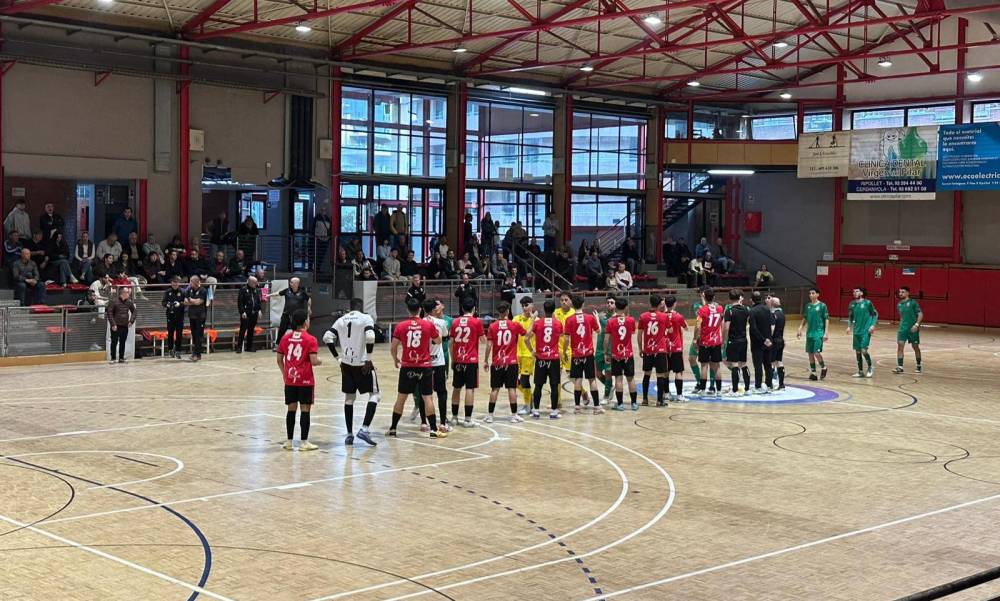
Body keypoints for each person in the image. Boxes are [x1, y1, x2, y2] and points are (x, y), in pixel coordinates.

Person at [324, 298, 379, 446]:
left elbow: (327, 337)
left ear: (350, 308)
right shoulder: (365, 318)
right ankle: (364, 428)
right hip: (362, 363)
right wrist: (369, 359)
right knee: (375, 394)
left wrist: (338, 358)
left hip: (346, 364)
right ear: (361, 307)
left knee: (349, 398)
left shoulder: (341, 320)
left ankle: (349, 434)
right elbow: (370, 336)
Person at [388, 298, 446, 438]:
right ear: (419, 309)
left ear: (408, 310)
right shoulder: (427, 325)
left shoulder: (401, 326)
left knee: (401, 398)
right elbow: (438, 341)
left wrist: (395, 359)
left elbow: (393, 346)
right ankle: (433, 430)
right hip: (424, 366)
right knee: (428, 398)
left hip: (407, 366)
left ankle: (393, 429)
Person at [276, 309, 321, 451]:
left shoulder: (285, 338)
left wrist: (285, 374)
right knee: (305, 409)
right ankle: (304, 442)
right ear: (304, 322)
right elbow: (313, 361)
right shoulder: (310, 339)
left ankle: (289, 441)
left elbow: (279, 359)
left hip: (290, 379)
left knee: (291, 409)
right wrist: (320, 361)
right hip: (305, 380)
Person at [483, 301, 527, 424]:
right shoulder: (514, 325)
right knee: (512, 389)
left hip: (497, 362)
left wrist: (486, 360)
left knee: (494, 389)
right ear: (508, 311)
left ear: (498, 312)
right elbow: (527, 334)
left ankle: (490, 416)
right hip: (511, 362)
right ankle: (514, 415)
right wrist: (533, 318)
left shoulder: (493, 326)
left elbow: (488, 345)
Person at [565, 294, 603, 415]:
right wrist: (597, 319)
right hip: (588, 354)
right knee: (592, 379)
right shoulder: (589, 318)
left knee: (577, 380)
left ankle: (577, 408)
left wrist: (565, 351)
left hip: (576, 354)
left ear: (572, 304)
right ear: (583, 304)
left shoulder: (569, 319)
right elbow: (599, 331)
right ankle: (597, 407)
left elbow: (566, 339)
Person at [526, 300, 564, 420]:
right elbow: (561, 336)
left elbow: (527, 338)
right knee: (554, 386)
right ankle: (553, 411)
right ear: (554, 310)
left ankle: (536, 411)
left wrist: (532, 351)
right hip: (553, 358)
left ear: (543, 309)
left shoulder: (538, 324)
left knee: (538, 386)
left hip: (541, 358)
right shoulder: (558, 324)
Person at [450, 299, 484, 427]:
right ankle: (468, 419)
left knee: (456, 388)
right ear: (474, 308)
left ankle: (454, 418)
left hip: (458, 359)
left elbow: (451, 343)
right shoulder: (477, 322)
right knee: (470, 389)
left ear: (462, 309)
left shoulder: (455, 322)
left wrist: (453, 359)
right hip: (471, 360)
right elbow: (483, 340)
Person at [424, 299, 454, 432]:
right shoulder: (442, 322)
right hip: (438, 361)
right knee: (441, 392)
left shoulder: (421, 323)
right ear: (434, 309)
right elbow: (445, 337)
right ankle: (442, 423)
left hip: (424, 361)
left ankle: (423, 423)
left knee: (424, 392)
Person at [606, 297, 638, 411]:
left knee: (618, 379)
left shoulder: (611, 321)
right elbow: (633, 332)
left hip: (616, 355)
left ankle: (620, 404)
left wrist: (606, 353)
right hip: (628, 354)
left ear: (616, 307)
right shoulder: (631, 320)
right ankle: (634, 404)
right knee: (630, 379)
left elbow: (606, 340)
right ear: (625, 307)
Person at [638, 295, 670, 407]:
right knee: (660, 375)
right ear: (659, 304)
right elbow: (670, 329)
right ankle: (659, 401)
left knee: (647, 374)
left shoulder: (643, 316)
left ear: (650, 303)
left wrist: (640, 348)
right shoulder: (663, 316)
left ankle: (645, 400)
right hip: (660, 350)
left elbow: (639, 334)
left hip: (648, 350)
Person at [694, 288, 725, 398]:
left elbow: (698, 326)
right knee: (716, 367)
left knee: (704, 366)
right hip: (716, 341)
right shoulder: (720, 308)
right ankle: (719, 391)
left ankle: (702, 391)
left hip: (705, 342)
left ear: (704, 297)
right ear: (714, 297)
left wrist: (695, 339)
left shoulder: (702, 310)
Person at [722, 289, 751, 396]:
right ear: (739, 298)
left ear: (730, 298)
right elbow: (749, 323)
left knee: (734, 364)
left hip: (733, 340)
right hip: (743, 340)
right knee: (743, 364)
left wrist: (724, 340)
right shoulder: (746, 309)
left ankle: (734, 390)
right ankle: (747, 389)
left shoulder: (729, 311)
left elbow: (726, 328)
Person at [797, 287, 829, 381]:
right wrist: (800, 328)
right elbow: (805, 318)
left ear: (817, 294)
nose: (811, 295)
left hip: (818, 333)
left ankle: (823, 367)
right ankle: (813, 373)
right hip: (809, 333)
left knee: (816, 352)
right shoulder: (808, 306)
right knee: (810, 353)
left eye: (813, 293)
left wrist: (826, 333)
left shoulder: (822, 306)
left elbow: (826, 319)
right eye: (810, 293)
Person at [846, 287, 878, 378]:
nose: (854, 293)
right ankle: (860, 371)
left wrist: (872, 325)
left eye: (857, 291)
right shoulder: (852, 304)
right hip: (856, 331)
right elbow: (851, 317)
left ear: (862, 293)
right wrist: (849, 326)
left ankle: (870, 367)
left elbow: (874, 314)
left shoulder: (868, 303)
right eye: (853, 291)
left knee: (864, 350)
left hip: (866, 331)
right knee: (858, 351)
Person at [512, 296, 537, 415]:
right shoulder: (516, 319)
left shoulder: (537, 320)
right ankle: (530, 397)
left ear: (532, 305)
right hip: (517, 354)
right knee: (514, 381)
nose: (524, 307)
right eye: (522, 305)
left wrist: (532, 319)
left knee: (524, 380)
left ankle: (527, 405)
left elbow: (529, 335)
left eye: (526, 305)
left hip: (528, 354)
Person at [748, 290, 776, 393]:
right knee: (768, 365)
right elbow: (771, 324)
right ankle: (769, 385)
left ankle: (758, 386)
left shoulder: (752, 311)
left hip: (757, 343)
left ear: (751, 300)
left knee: (758, 365)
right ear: (761, 299)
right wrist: (768, 339)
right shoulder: (767, 309)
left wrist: (763, 339)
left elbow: (753, 329)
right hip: (768, 342)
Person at [553, 291, 576, 407]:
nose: (563, 302)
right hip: (557, 348)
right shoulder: (555, 313)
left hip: (569, 349)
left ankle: (583, 392)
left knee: (571, 375)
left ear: (571, 301)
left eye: (566, 300)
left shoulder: (574, 314)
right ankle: (558, 401)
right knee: (556, 375)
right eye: (562, 300)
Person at [664, 295, 688, 402]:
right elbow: (686, 328)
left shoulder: (661, 316)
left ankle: (666, 393)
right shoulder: (678, 316)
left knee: (666, 372)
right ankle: (679, 395)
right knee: (679, 372)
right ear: (675, 304)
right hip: (676, 347)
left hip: (664, 347)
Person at [271, 277, 310, 343]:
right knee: (281, 330)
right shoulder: (287, 290)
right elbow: (278, 293)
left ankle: (297, 343)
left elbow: (309, 299)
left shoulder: (302, 292)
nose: (290, 283)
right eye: (290, 282)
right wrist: (268, 295)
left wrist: (309, 308)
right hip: (286, 314)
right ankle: (278, 344)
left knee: (297, 331)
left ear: (296, 284)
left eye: (292, 282)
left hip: (296, 316)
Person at [895, 287, 924, 374]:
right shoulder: (899, 304)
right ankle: (900, 367)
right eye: (900, 292)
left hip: (913, 329)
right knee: (900, 345)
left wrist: (916, 325)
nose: (900, 294)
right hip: (903, 329)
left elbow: (920, 314)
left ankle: (918, 365)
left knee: (915, 347)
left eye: (903, 292)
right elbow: (902, 316)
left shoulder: (913, 303)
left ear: (908, 293)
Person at [107, 286, 136, 364]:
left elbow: (134, 312)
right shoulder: (114, 301)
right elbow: (109, 313)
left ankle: (121, 357)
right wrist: (113, 324)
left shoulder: (129, 302)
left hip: (124, 325)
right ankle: (113, 358)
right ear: (122, 293)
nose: (128, 294)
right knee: (114, 342)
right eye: (127, 292)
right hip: (115, 326)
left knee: (123, 342)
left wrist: (131, 321)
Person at [594, 296, 615, 402]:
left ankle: (606, 396)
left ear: (615, 305)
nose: (609, 304)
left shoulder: (616, 318)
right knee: (597, 373)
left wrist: (597, 319)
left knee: (608, 373)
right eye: (608, 302)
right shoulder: (601, 316)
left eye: (612, 302)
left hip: (610, 350)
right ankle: (610, 387)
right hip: (599, 349)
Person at [183, 275, 209, 361]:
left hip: (200, 316)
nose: (190, 283)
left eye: (191, 282)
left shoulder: (203, 290)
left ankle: (197, 354)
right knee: (194, 335)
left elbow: (199, 302)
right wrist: (193, 301)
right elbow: (185, 301)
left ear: (196, 282)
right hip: (192, 315)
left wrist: (191, 300)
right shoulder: (189, 289)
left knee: (199, 335)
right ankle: (197, 353)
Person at [236, 276, 262, 353]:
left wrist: (259, 310)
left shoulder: (256, 290)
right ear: (250, 282)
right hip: (246, 313)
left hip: (254, 313)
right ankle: (239, 347)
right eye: (254, 283)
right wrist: (242, 312)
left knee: (251, 330)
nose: (256, 284)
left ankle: (249, 347)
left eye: (256, 282)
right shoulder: (243, 289)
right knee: (243, 330)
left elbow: (258, 301)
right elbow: (240, 302)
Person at [162, 275, 186, 358]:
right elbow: (163, 302)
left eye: (176, 283)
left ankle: (178, 350)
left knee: (179, 334)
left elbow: (186, 302)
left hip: (180, 316)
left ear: (179, 283)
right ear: (171, 283)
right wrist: (167, 304)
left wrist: (180, 304)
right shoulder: (167, 292)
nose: (175, 284)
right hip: (170, 316)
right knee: (170, 334)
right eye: (173, 282)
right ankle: (170, 349)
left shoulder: (183, 292)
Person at [769, 296, 787, 390]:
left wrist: (769, 339)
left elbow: (772, 328)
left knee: (771, 362)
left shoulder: (773, 315)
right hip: (781, 340)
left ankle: (770, 384)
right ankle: (781, 384)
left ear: (772, 304)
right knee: (779, 362)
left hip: (774, 341)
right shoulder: (782, 314)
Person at [313, 205, 331, 272]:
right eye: (322, 210)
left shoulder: (328, 219)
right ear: (320, 211)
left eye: (324, 210)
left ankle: (318, 268)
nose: (323, 211)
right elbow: (313, 228)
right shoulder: (317, 218)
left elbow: (330, 229)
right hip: (318, 239)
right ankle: (316, 268)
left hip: (325, 239)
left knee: (322, 255)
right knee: (317, 254)